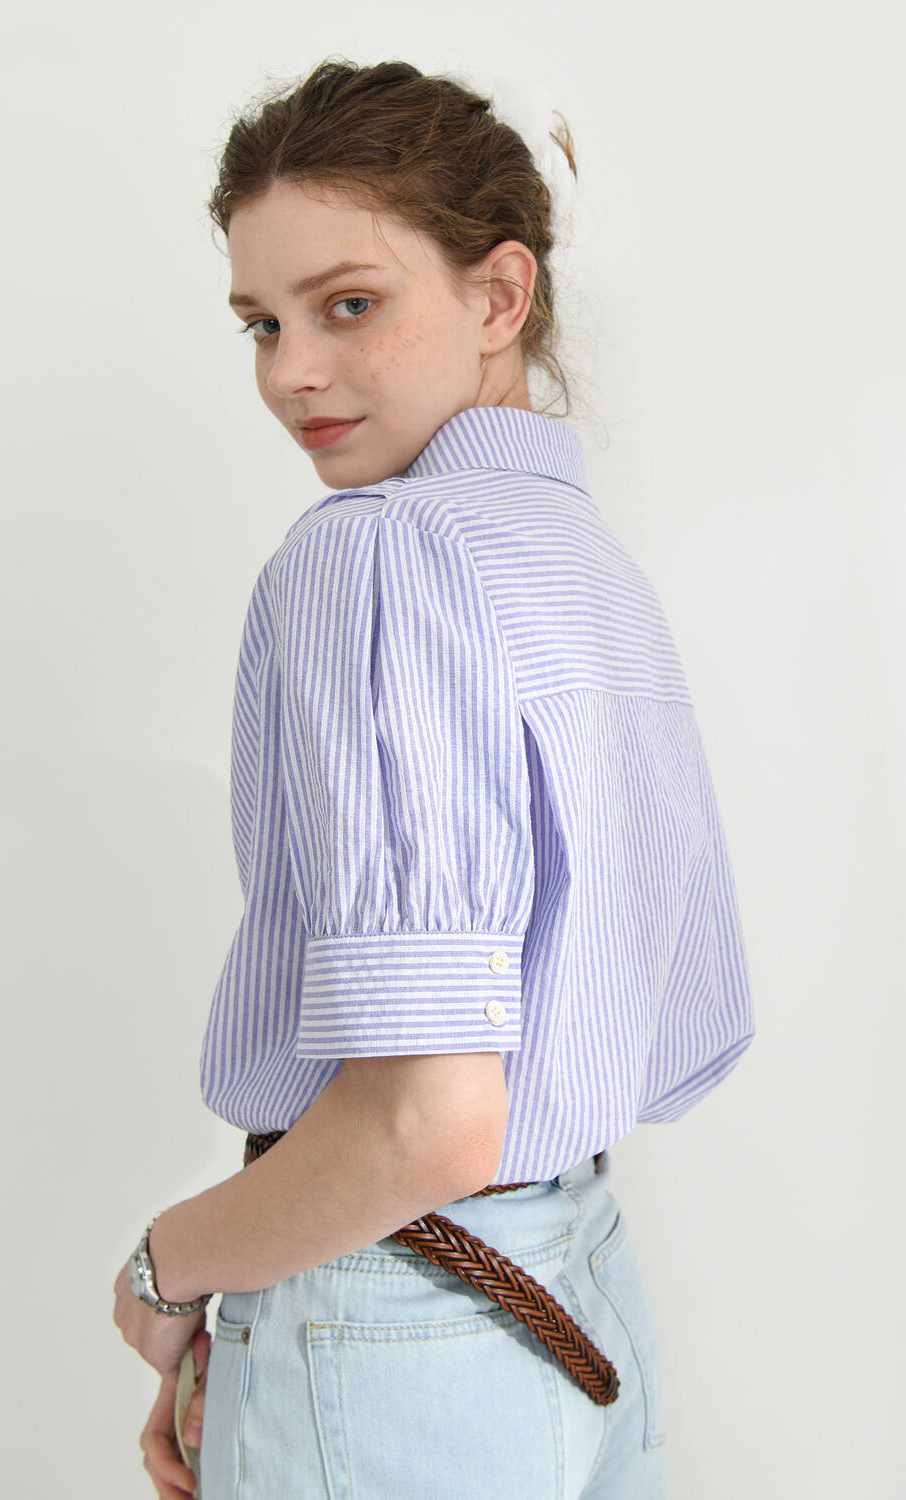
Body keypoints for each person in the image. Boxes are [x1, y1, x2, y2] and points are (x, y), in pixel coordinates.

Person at [112, 57, 755, 1500]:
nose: (290, 372)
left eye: (349, 304)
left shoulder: (384, 552)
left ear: (499, 295)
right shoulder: (585, 562)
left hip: (395, 1317)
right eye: (261, 322)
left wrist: (167, 1270)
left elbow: (425, 1123)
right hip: (581, 1285)